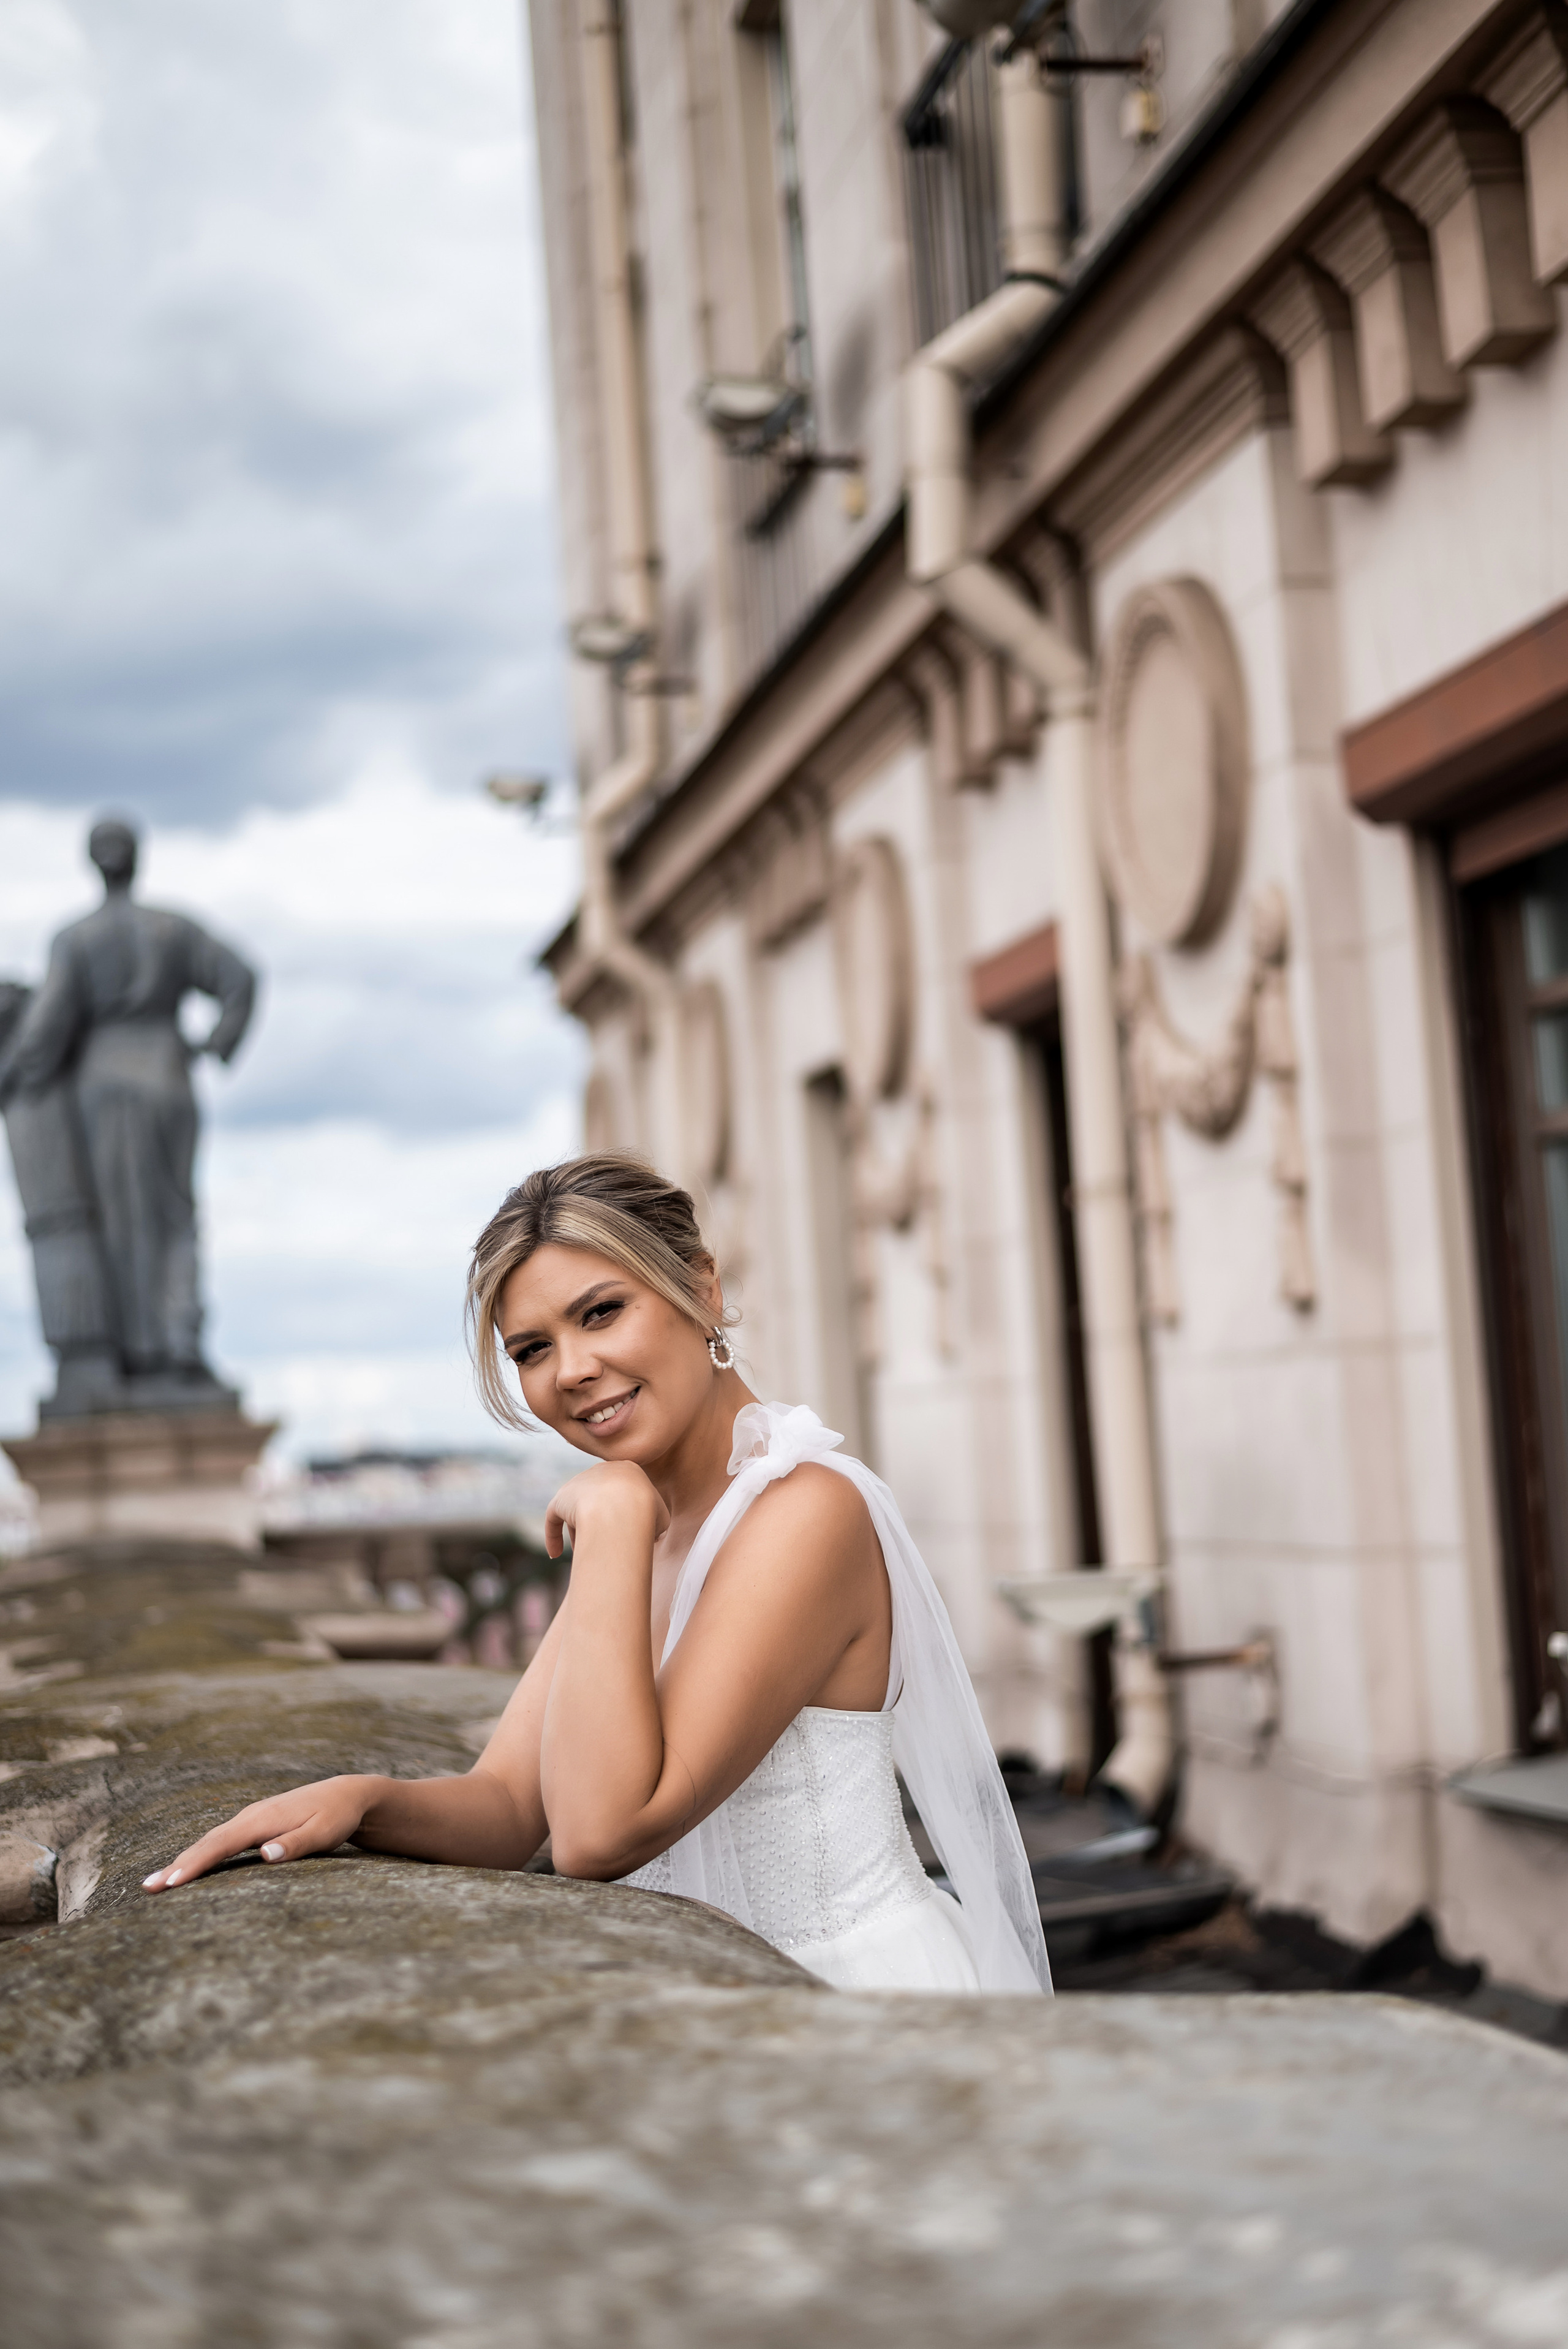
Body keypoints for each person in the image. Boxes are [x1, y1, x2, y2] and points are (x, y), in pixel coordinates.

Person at [145, 1155, 1049, 1995]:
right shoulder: (650, 1516)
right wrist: (359, 1799)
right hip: (712, 1999)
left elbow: (599, 1833)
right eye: (531, 1349)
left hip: (854, 1994)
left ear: (700, 1286)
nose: (572, 1370)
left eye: (600, 1311)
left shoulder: (806, 1510)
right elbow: (507, 1805)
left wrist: (614, 1526)